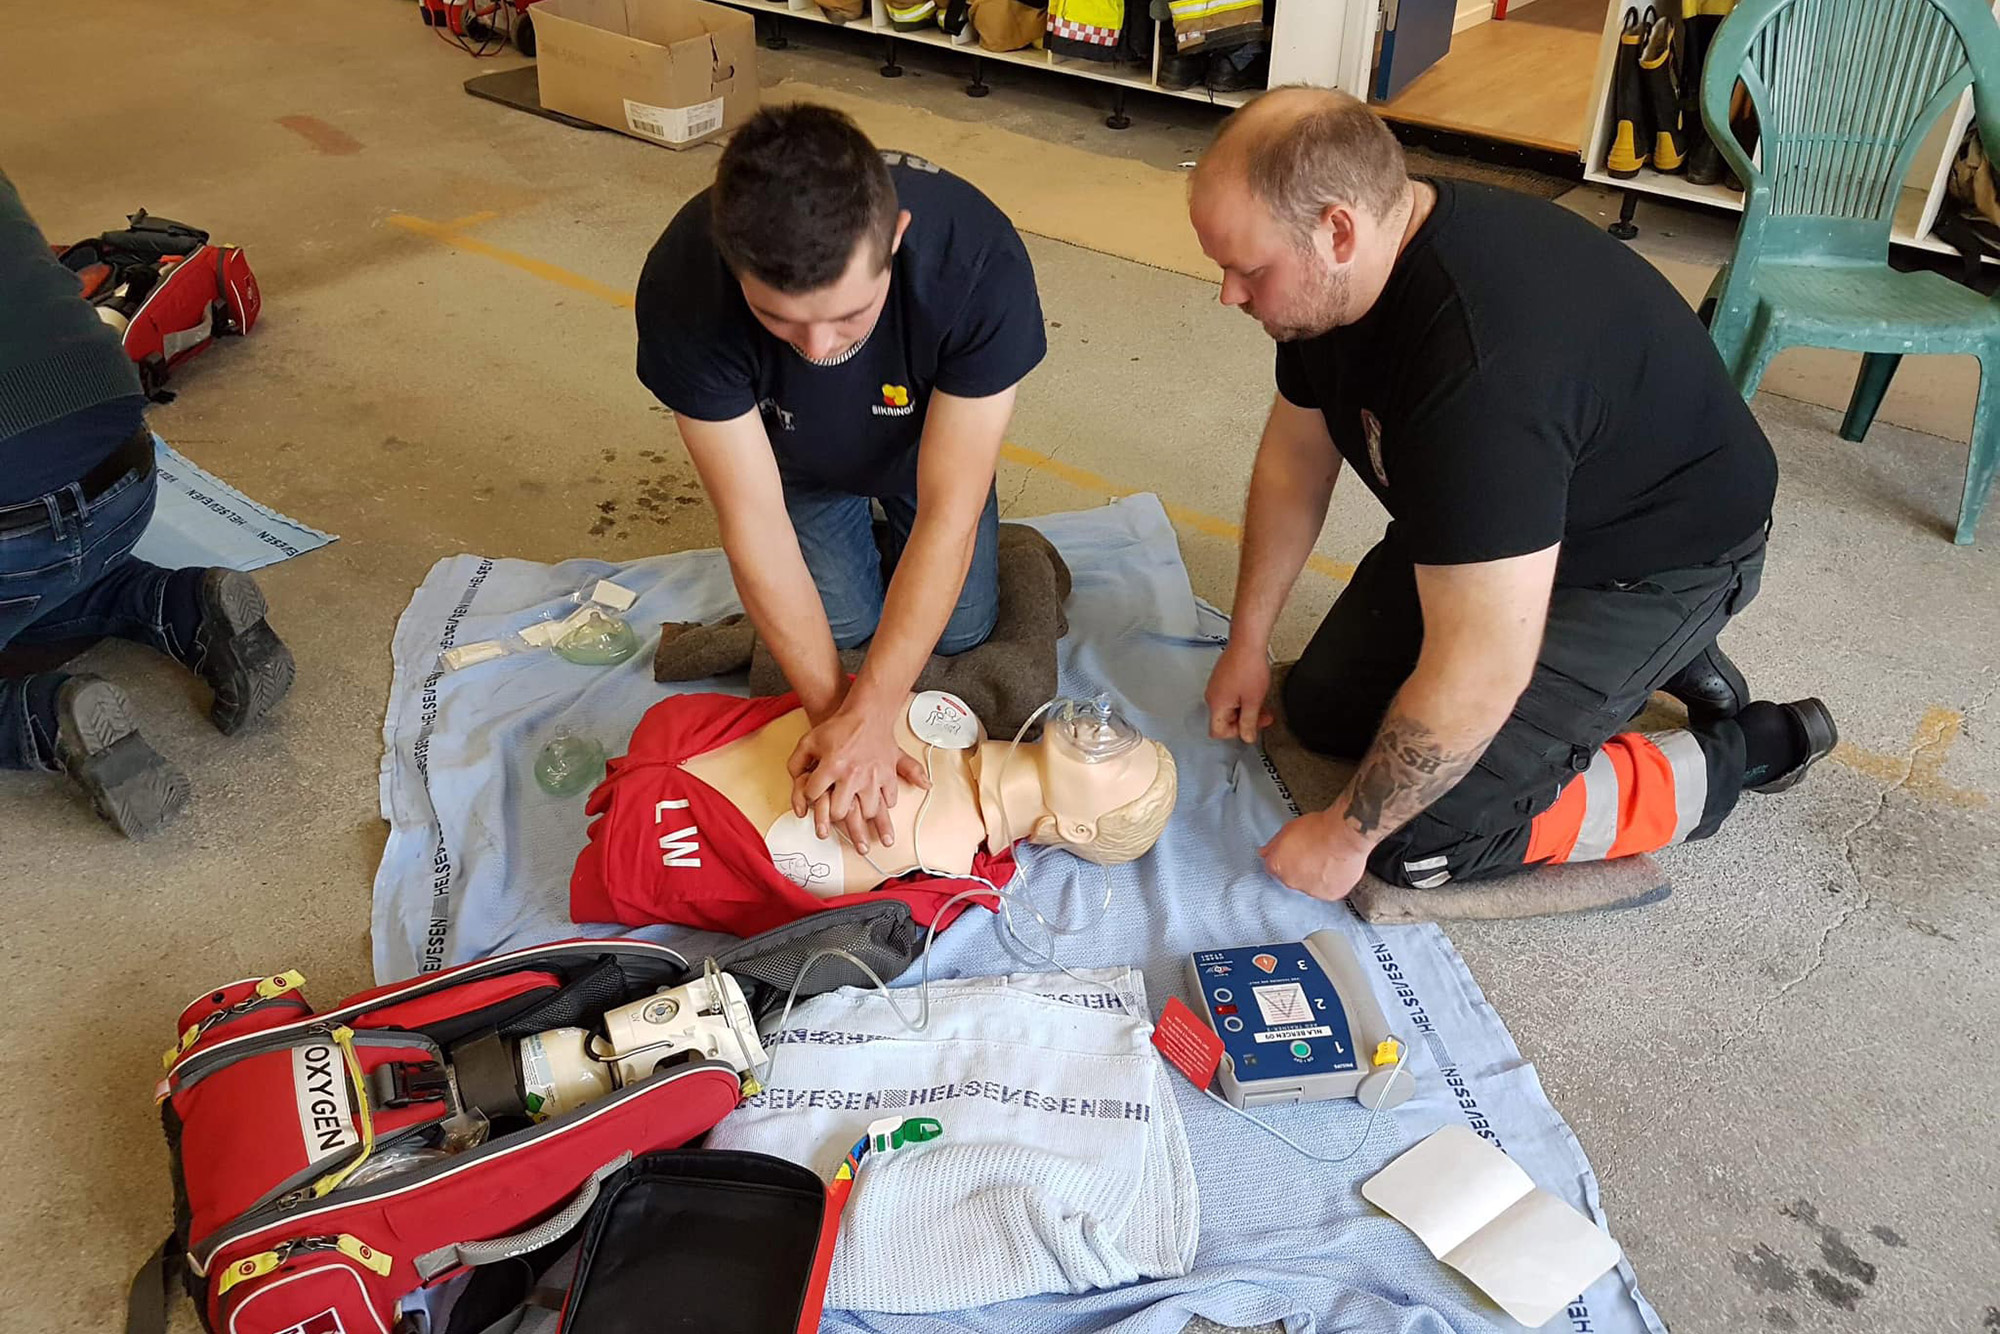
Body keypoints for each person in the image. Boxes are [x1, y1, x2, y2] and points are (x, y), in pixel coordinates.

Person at [1187, 88, 1836, 903]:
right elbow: (1294, 461)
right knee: (1322, 714)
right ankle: (1644, 664)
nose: (1229, 296)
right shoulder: (1338, 287)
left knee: (1420, 840)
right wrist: (1247, 640)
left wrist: (1346, 835)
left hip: (1656, 561)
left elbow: (1482, 664)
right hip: (1521, 522)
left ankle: (1744, 748)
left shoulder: (1481, 373)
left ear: (1338, 231)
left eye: (1248, 271)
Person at [634, 103, 1046, 864]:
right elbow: (751, 520)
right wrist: (838, 721)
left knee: (960, 632)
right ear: (733, 267)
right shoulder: (683, 286)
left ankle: (972, 544)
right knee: (849, 636)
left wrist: (881, 705)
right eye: (779, 320)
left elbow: (948, 511)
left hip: (927, 451)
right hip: (794, 462)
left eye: (851, 315)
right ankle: (859, 543)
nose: (820, 347)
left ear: (894, 239)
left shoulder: (977, 260)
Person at [1, 171, 294, 838]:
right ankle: (181, 607)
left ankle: (46, 720)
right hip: (125, 477)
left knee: (24, 572)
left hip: (13, 540)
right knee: (43, 581)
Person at [571, 690, 1176, 936]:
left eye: (1120, 764)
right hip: (684, 746)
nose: (1104, 730)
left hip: (660, 831)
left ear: (1074, 829)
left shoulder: (933, 853)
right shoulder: (950, 718)